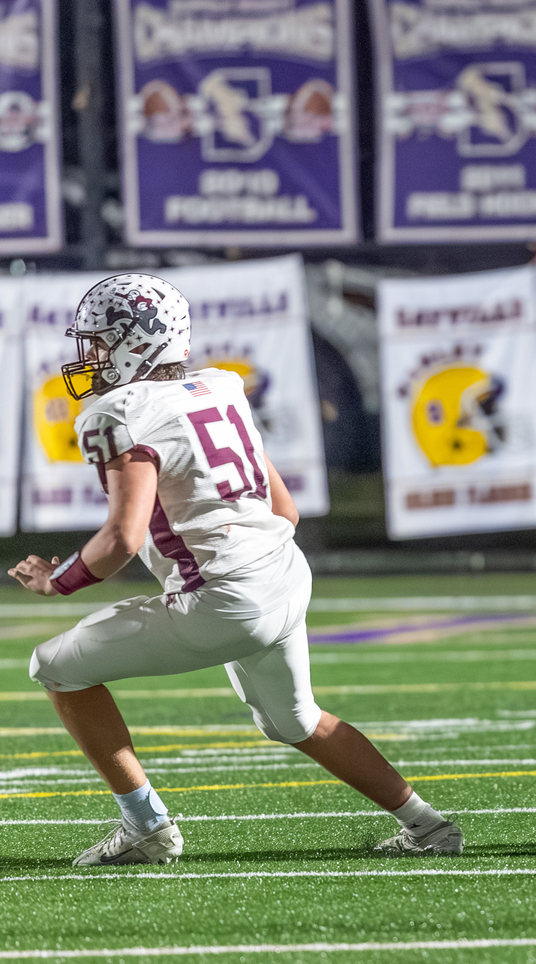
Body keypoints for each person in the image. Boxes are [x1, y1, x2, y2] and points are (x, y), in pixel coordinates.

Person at [9, 273, 462, 865]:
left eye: (97, 341)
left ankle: (147, 828)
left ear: (133, 342)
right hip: (283, 572)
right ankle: (428, 827)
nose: (88, 356)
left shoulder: (119, 412)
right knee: (294, 721)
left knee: (55, 666)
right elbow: (286, 509)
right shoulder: (217, 389)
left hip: (222, 598)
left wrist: (57, 579)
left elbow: (122, 536)